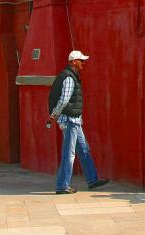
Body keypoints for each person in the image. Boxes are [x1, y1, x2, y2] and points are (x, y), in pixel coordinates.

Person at [47, 50, 110, 195]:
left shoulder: (70, 76)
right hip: (70, 120)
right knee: (69, 154)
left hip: (74, 120)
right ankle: (62, 186)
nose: (83, 63)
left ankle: (92, 180)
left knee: (84, 149)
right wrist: (53, 116)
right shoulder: (69, 78)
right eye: (81, 61)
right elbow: (63, 100)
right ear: (74, 61)